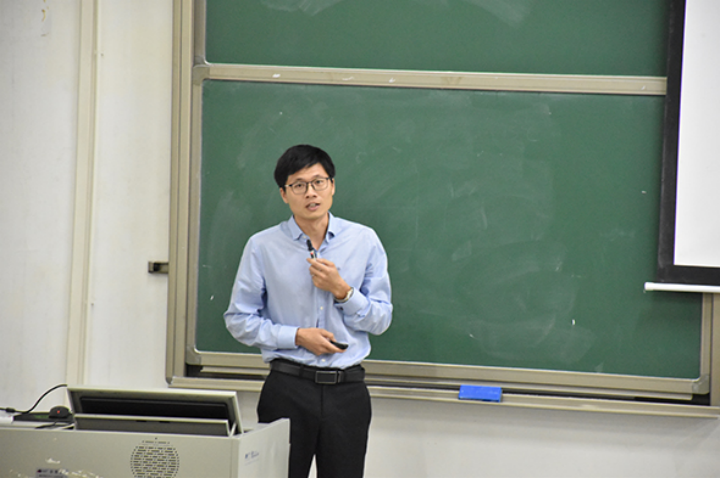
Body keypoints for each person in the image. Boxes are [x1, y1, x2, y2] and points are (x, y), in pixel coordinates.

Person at [224, 144, 393, 478]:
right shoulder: (262, 246)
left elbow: (381, 320)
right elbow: (239, 319)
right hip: (287, 388)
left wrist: (343, 291)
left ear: (332, 186)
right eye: (299, 185)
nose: (311, 193)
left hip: (348, 391)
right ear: (284, 194)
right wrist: (297, 337)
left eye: (318, 182)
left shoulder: (364, 241)